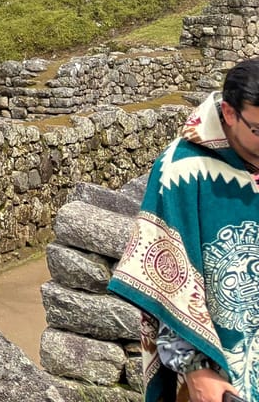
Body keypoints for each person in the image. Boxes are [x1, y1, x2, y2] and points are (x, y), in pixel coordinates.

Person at [111, 58, 259, 402]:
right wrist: (196, 368)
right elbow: (164, 284)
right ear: (230, 113)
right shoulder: (180, 172)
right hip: (220, 374)